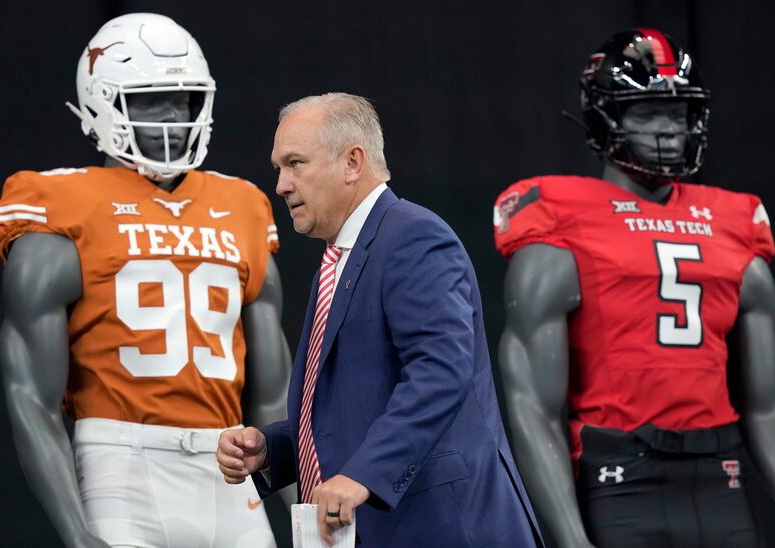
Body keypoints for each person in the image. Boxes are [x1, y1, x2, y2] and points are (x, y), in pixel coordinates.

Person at [0, 13, 290, 547]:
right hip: (120, 463)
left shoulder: (243, 204)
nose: (174, 116)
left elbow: (275, 398)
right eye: (151, 101)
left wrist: (305, 511)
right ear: (101, 103)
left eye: (186, 100)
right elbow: (28, 395)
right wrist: (77, 534)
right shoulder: (59, 202)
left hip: (232, 463)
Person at [216, 92, 542, 547]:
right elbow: (354, 409)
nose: (282, 185)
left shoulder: (413, 237)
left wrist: (362, 475)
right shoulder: (338, 260)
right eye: (279, 168)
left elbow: (441, 372)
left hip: (444, 528)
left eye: (295, 164)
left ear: (353, 162)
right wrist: (273, 448)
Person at [495, 28, 775, 547]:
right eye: (645, 114)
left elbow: (767, 407)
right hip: (622, 481)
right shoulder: (559, 218)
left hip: (721, 477)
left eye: (678, 113)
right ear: (606, 118)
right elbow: (532, 407)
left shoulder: (734, 221)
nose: (667, 130)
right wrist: (572, 539)